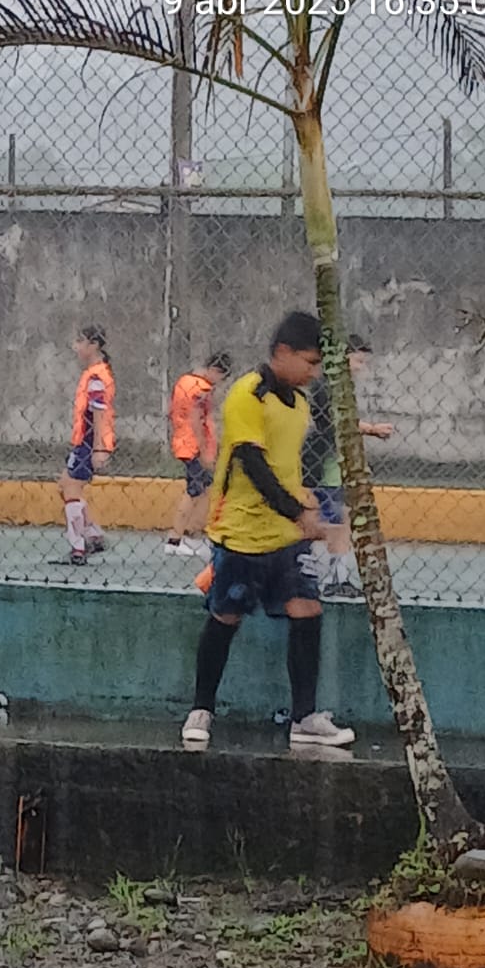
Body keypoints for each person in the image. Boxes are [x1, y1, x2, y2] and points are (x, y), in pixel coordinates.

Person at [181, 310, 355, 749]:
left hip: (285, 538)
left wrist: (308, 507)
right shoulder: (248, 394)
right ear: (283, 352)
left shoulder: (299, 404)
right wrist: (297, 513)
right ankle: (201, 709)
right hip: (241, 533)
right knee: (226, 616)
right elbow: (252, 463)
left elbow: (290, 464)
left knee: (307, 610)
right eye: (309, 362)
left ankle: (304, 718)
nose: (314, 373)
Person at [302, 335, 394, 599]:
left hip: (328, 461)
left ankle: (328, 574)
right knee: (334, 520)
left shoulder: (335, 387)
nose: (361, 368)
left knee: (334, 519)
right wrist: (371, 429)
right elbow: (333, 422)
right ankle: (333, 577)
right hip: (323, 463)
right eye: (358, 361)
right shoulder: (325, 386)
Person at [57, 325, 116, 566]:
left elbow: (99, 414)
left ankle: (78, 548)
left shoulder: (96, 377)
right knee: (65, 484)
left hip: (89, 441)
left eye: (80, 342)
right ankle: (93, 535)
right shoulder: (95, 373)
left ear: (94, 345)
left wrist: (99, 448)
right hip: (84, 440)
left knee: (71, 489)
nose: (76, 347)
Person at [165, 352, 232, 556]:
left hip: (183, 440)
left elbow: (173, 411)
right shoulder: (202, 389)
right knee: (194, 491)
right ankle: (175, 539)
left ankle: (192, 533)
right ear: (216, 371)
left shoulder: (185, 381)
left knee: (204, 489)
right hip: (194, 445)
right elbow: (197, 420)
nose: (218, 383)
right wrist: (204, 450)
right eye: (221, 377)